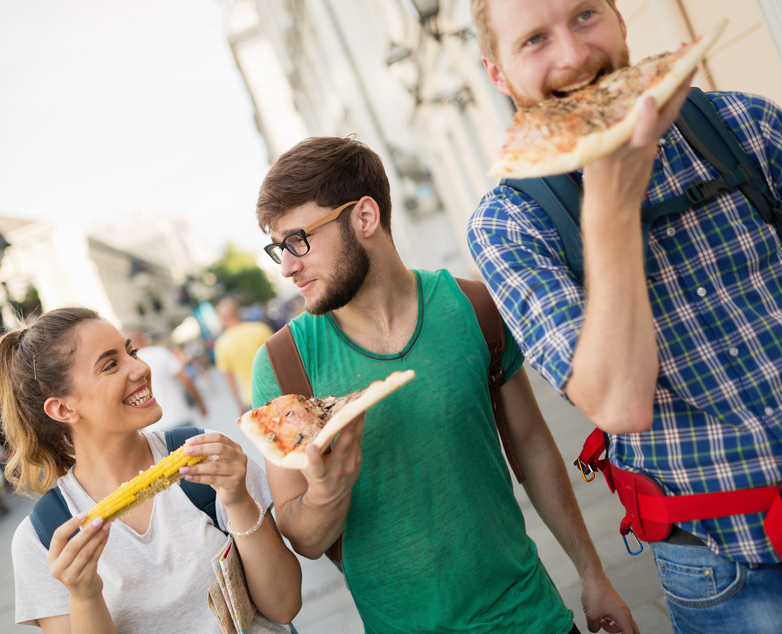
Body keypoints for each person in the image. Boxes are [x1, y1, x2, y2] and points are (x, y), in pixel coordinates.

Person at [465, 1, 782, 632]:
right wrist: (610, 209)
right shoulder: (508, 225)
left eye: (586, 16)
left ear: (619, 17)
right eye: (534, 40)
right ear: (497, 74)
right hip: (728, 571)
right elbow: (619, 404)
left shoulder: (746, 125)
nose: (574, 56)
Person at [251, 135, 637, 633]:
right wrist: (328, 492)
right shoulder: (284, 365)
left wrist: (593, 574)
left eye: (298, 240)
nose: (286, 266)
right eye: (278, 247)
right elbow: (300, 535)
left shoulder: (472, 308)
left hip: (532, 616)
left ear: (364, 217)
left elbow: (533, 445)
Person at [0, 306, 301, 632]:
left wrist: (239, 501)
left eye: (132, 352)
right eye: (110, 365)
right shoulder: (42, 539)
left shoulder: (206, 458)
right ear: (62, 408)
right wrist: (84, 596)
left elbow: (284, 606)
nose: (140, 368)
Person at [125, 328, 209, 430]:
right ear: (144, 338)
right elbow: (186, 379)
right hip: (179, 416)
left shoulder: (130, 365)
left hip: (155, 428)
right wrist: (200, 402)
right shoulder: (160, 353)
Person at [213, 298, 273, 415]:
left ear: (223, 318)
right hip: (276, 389)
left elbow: (229, 379)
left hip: (252, 398)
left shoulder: (222, 344)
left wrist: (238, 404)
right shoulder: (260, 328)